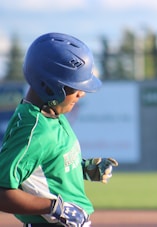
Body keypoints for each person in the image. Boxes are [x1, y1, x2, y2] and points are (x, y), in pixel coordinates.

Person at [0, 32, 118, 227]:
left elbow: (45, 166)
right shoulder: (34, 131)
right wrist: (54, 207)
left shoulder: (52, 115)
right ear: (49, 86)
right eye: (74, 87)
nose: (81, 94)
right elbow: (2, 191)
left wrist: (85, 168)